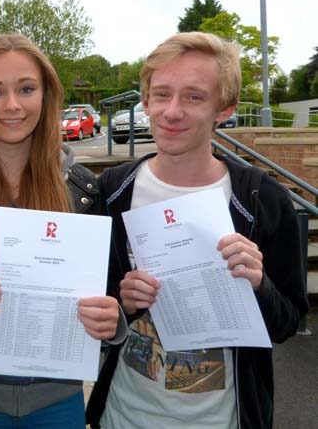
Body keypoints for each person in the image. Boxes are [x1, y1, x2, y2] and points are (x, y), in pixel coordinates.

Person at [85, 31, 309, 429]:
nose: (172, 111)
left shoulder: (262, 200)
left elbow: (287, 323)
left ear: (224, 109)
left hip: (223, 420)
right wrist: (123, 304)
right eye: (161, 94)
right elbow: (95, 316)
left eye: (193, 97)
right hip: (121, 416)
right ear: (147, 101)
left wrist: (259, 285)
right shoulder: (111, 191)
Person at [0, 33, 125, 429]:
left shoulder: (84, 190)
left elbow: (108, 295)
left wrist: (111, 322)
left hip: (57, 401)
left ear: (46, 96)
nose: (13, 105)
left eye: (26, 89)